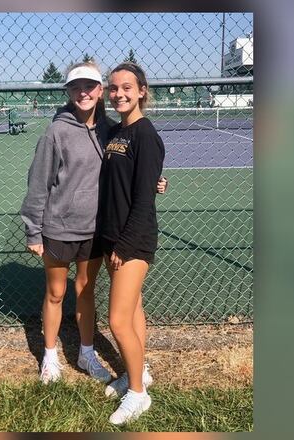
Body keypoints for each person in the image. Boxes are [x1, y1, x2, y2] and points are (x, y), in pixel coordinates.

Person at [19, 61, 167, 386]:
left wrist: (154, 180)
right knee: (56, 293)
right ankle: (49, 356)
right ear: (69, 93)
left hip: (96, 232)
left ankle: (87, 352)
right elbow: (38, 183)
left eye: (90, 87)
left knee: (84, 292)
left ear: (100, 91)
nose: (84, 93)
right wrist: (33, 230)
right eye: (76, 87)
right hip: (59, 229)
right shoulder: (56, 131)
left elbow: (130, 165)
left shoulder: (111, 129)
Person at [98, 62, 164, 425]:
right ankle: (138, 371)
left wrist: (123, 245)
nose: (118, 93)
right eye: (113, 88)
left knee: (118, 320)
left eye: (127, 87)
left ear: (142, 91)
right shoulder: (115, 133)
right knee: (134, 309)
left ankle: (138, 394)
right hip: (113, 238)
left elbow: (142, 202)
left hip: (133, 241)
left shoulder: (145, 135)